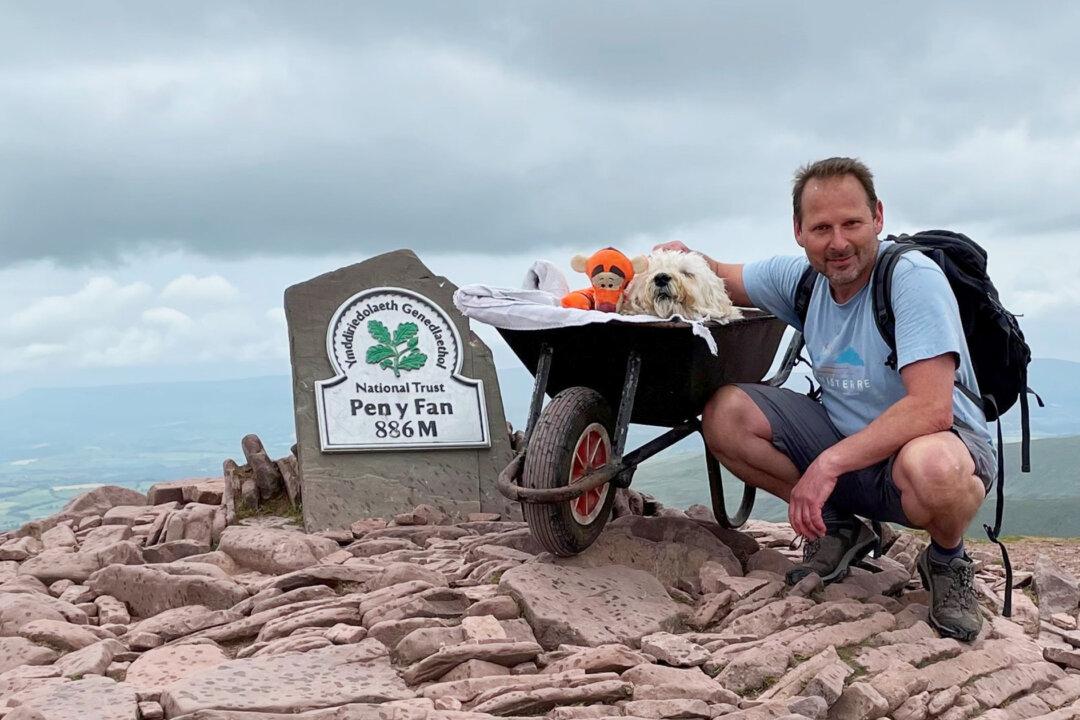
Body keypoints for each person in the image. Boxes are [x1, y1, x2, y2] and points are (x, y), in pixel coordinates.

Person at [656, 157, 996, 641]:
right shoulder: (800, 280)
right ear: (798, 231)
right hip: (848, 444)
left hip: (934, 447)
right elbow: (714, 273)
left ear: (878, 217)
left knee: (935, 470)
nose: (838, 243)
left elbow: (930, 409)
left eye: (852, 223)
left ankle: (947, 558)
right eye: (821, 228)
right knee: (724, 415)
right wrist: (675, 258)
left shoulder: (911, 279)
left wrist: (827, 465)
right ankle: (838, 527)